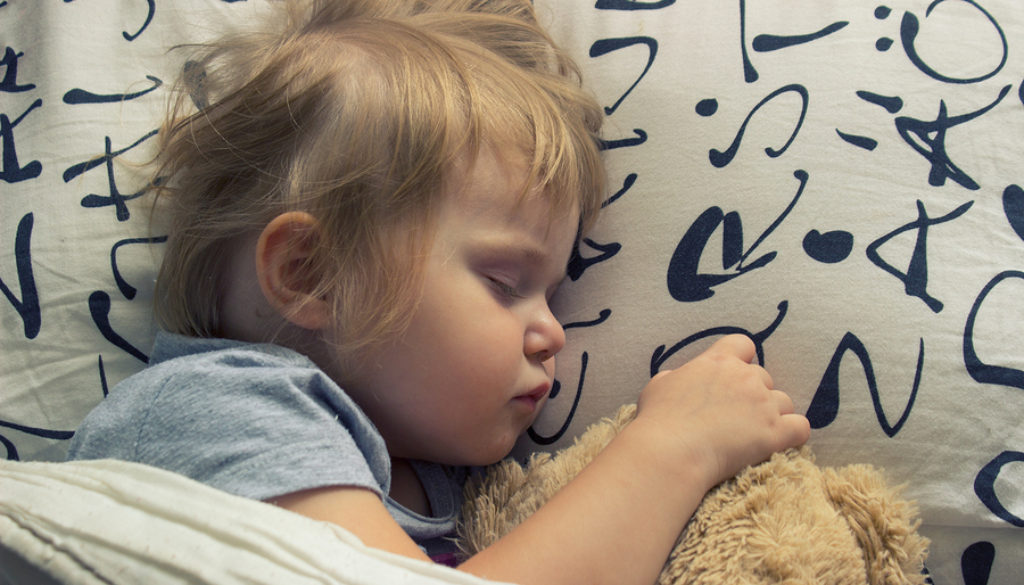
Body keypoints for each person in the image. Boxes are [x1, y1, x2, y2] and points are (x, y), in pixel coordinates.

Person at [68, 1, 811, 583]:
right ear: (312, 274)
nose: (552, 331)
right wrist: (673, 449)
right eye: (504, 282)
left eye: (551, 292)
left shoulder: (428, 471)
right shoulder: (217, 410)